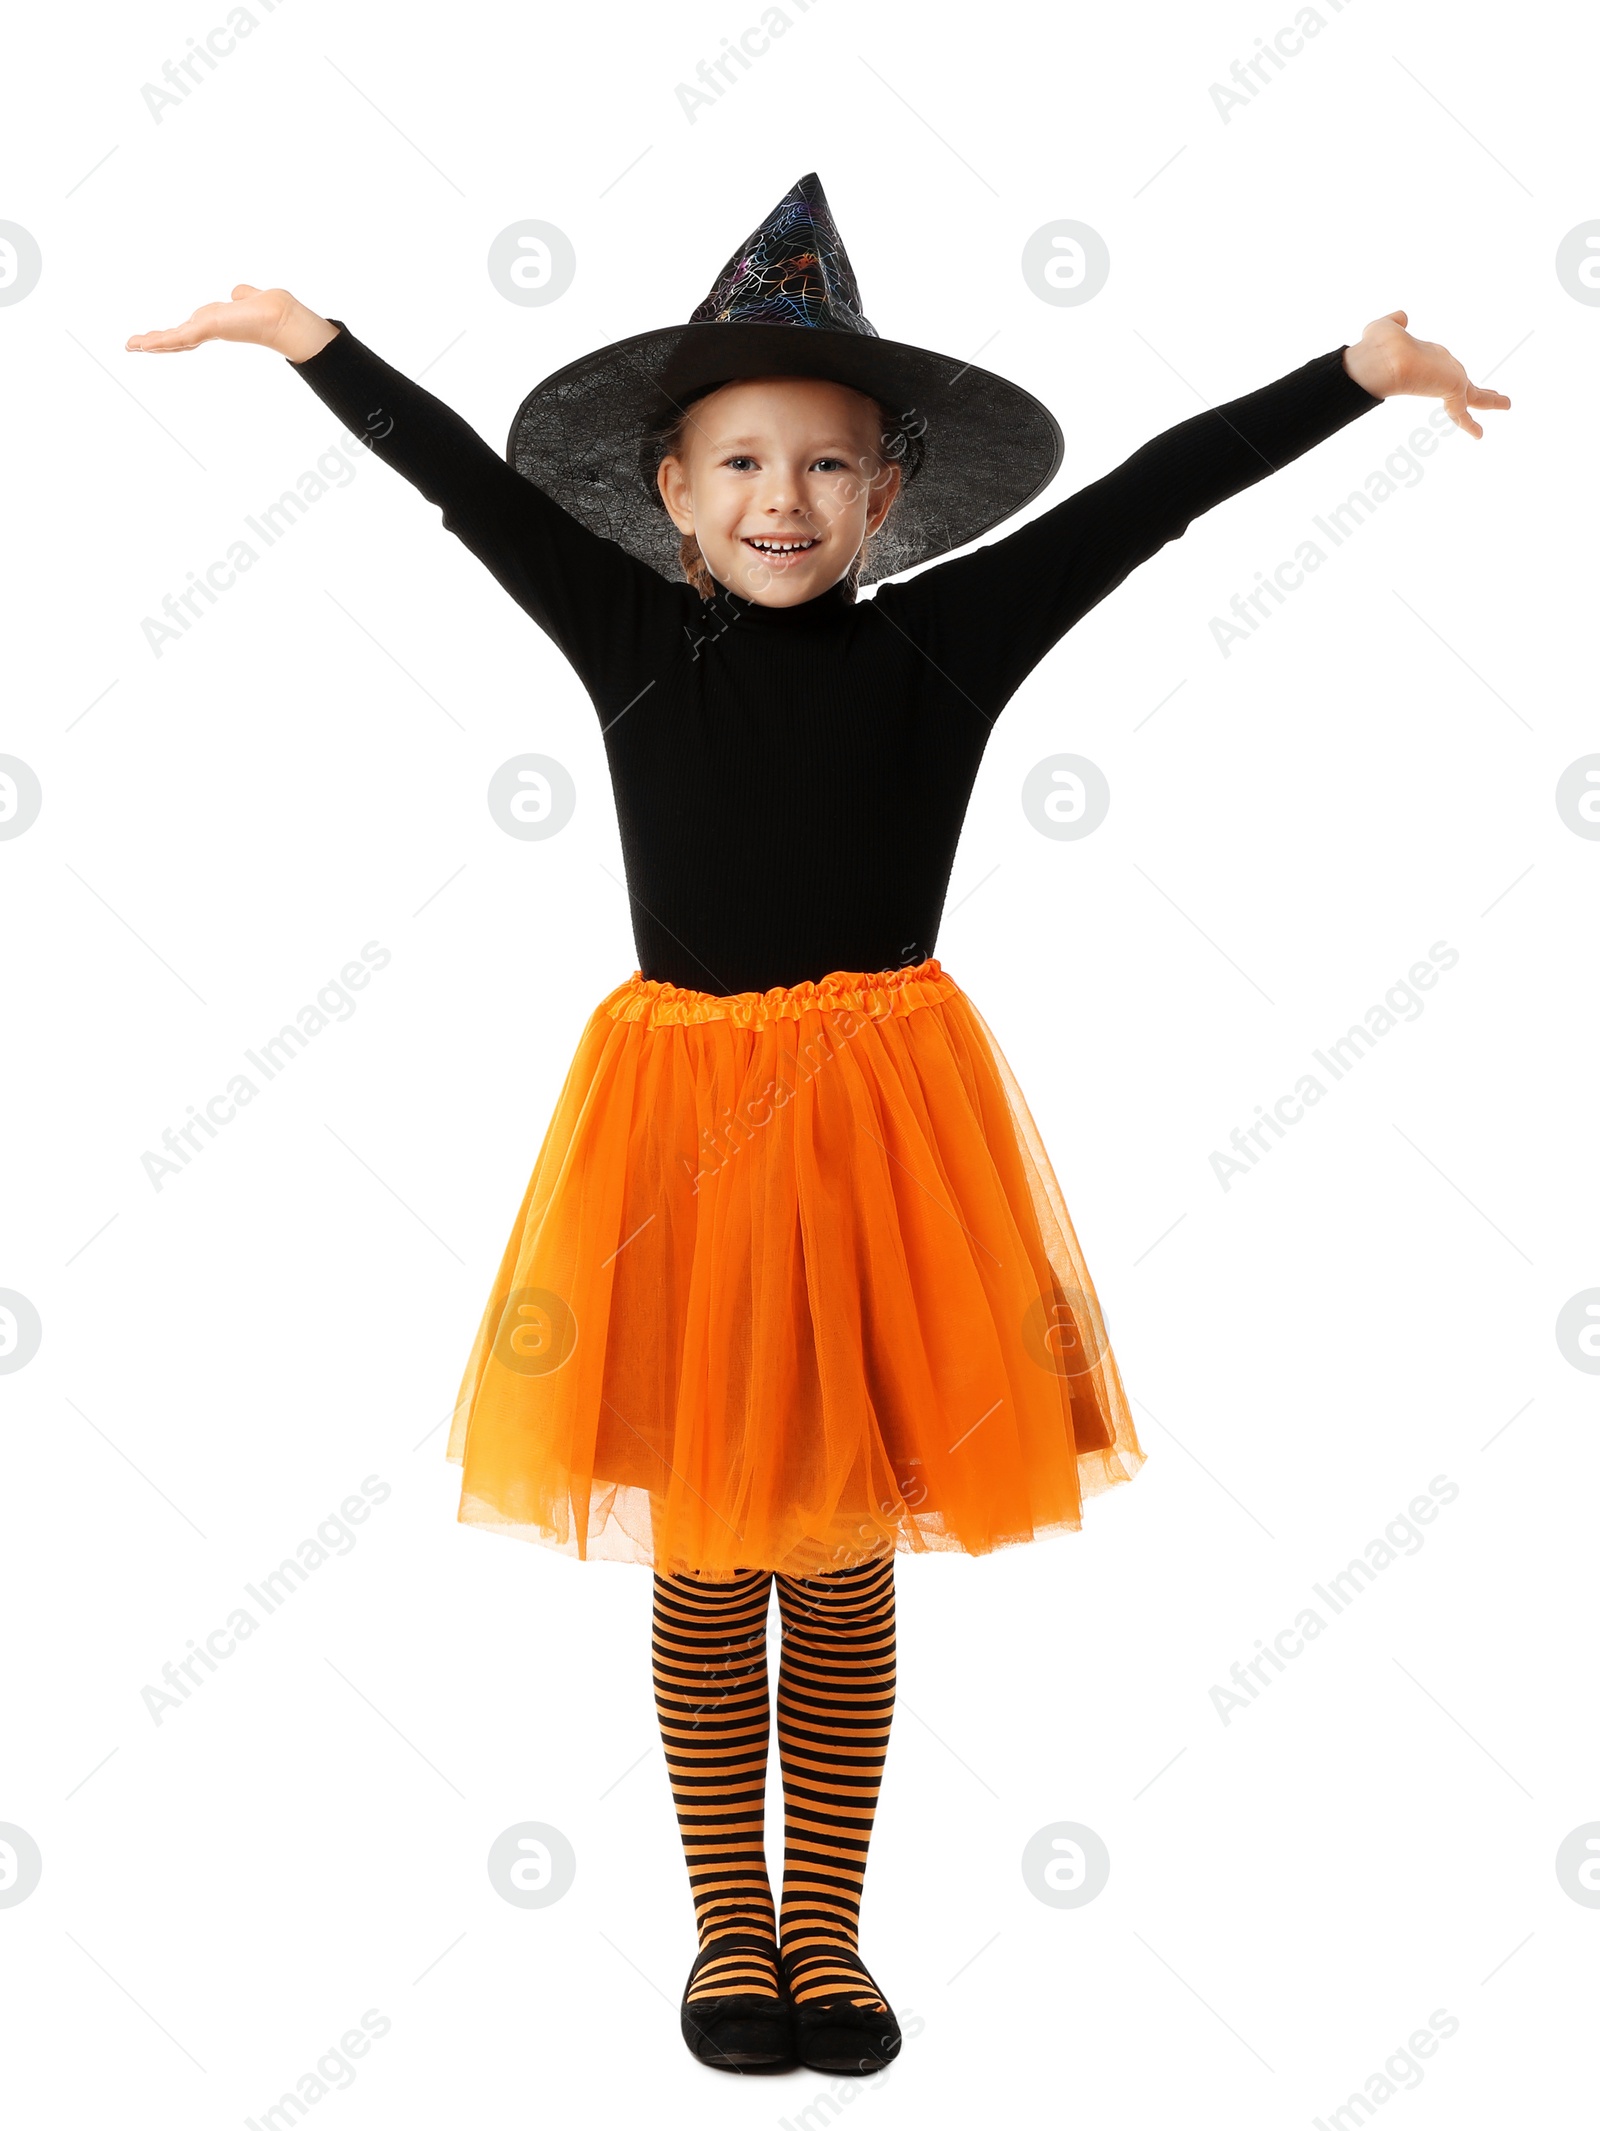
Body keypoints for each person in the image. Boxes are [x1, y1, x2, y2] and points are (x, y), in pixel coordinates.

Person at [127, 172, 1510, 2079]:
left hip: (883, 1142)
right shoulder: (627, 631)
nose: (785, 498)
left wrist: (1350, 377)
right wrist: (314, 344)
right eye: (743, 462)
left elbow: (1147, 505)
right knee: (713, 1543)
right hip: (678, 1141)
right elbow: (466, 489)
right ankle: (727, 1934)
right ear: (672, 492)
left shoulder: (943, 644)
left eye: (829, 466)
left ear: (892, 492)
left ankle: (833, 1940)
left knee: (842, 1548)